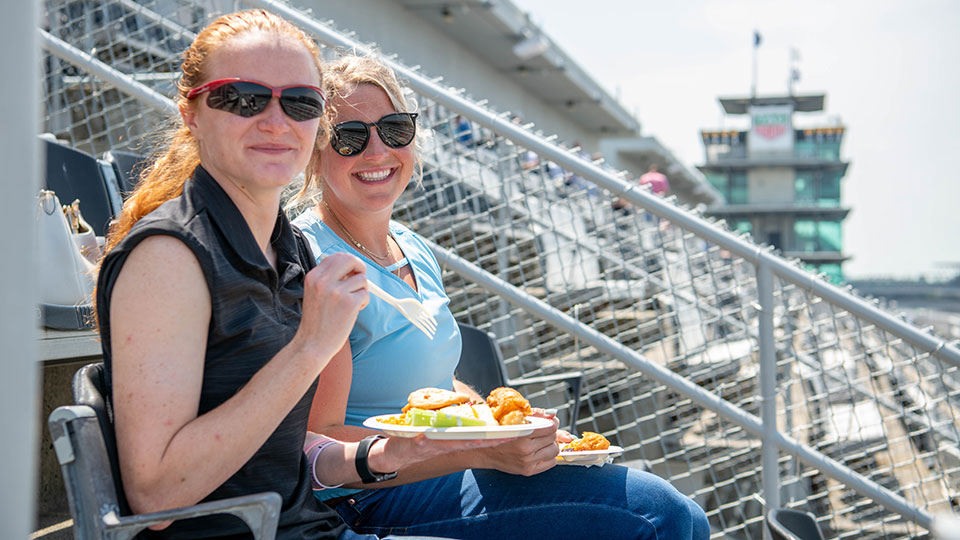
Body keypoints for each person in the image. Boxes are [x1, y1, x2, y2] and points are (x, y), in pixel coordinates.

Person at [95, 10, 487, 540]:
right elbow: (157, 496)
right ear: (191, 111)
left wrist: (380, 456)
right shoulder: (169, 257)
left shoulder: (282, 248)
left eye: (299, 102)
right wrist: (310, 348)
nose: (277, 122)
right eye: (243, 98)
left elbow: (290, 460)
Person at [293, 55, 710, 540]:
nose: (377, 150)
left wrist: (516, 426)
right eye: (350, 137)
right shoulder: (317, 260)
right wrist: (483, 451)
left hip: (450, 470)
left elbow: (435, 385)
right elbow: (321, 437)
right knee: (656, 515)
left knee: (684, 514)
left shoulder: (413, 246)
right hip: (370, 496)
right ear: (315, 153)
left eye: (394, 129)